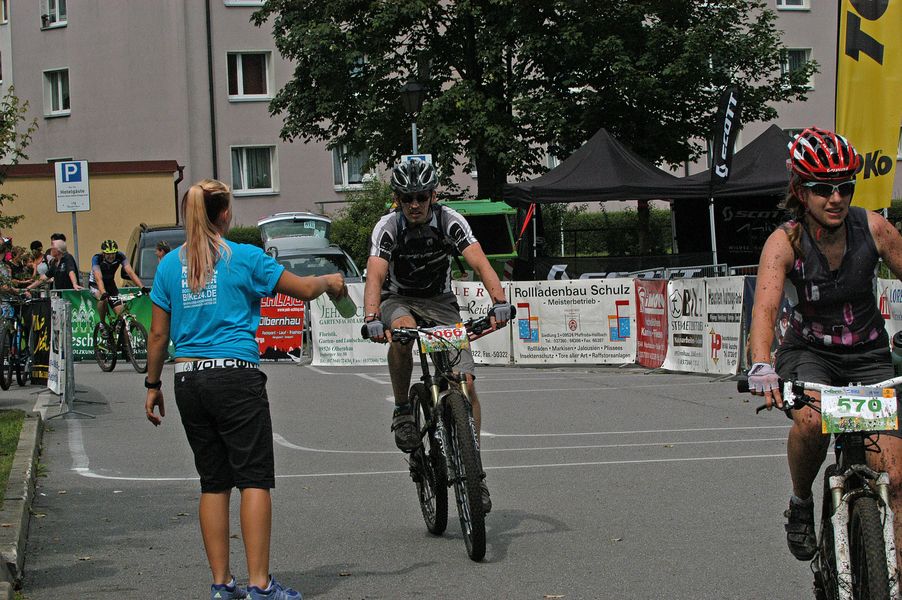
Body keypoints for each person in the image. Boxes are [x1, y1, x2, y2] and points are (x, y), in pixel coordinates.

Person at [144, 179, 347, 600]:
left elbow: (158, 336)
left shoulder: (168, 267)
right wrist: (330, 280)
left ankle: (222, 585)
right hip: (235, 375)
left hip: (188, 378)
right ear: (223, 214)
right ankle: (260, 584)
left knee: (213, 482)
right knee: (253, 478)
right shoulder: (245, 257)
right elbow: (303, 290)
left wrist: (152, 384)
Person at [747, 126, 902, 568]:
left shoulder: (874, 228)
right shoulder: (785, 242)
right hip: (809, 353)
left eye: (845, 187)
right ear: (800, 191)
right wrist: (761, 364)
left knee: (895, 475)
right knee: (813, 422)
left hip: (869, 356)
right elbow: (765, 310)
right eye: (822, 189)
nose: (836, 198)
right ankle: (801, 501)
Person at [361, 158, 512, 513]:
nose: (414, 204)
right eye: (407, 198)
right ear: (398, 199)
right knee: (402, 333)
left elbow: (480, 262)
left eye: (421, 197)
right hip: (398, 299)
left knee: (465, 383)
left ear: (433, 196)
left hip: (440, 302)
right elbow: (375, 275)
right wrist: (371, 317)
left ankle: (474, 472)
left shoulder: (449, 220)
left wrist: (500, 302)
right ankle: (403, 410)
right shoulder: (387, 227)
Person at [89, 239, 144, 326]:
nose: (111, 256)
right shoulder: (97, 258)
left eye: (113, 254)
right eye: (108, 254)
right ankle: (102, 323)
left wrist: (142, 287)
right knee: (102, 300)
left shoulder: (120, 256)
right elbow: (98, 278)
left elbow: (130, 272)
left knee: (121, 314)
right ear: (103, 253)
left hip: (110, 284)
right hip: (96, 284)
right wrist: (103, 292)